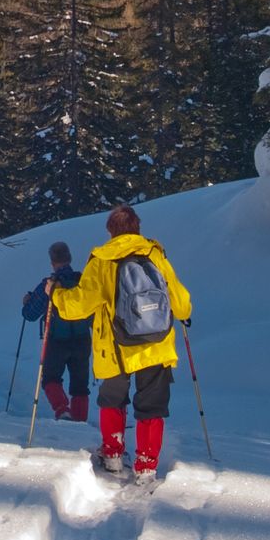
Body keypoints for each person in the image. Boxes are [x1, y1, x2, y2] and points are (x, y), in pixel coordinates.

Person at [47, 203, 192, 484]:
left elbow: (79, 305)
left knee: (112, 400)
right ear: (137, 227)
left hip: (115, 347)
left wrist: (55, 294)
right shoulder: (154, 254)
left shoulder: (102, 260)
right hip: (156, 345)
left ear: (110, 232)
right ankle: (147, 464)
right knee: (152, 406)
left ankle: (113, 455)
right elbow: (181, 302)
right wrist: (183, 315)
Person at [20, 241, 90, 422]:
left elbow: (30, 314)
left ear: (52, 262)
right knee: (80, 385)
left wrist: (27, 302)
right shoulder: (81, 281)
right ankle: (80, 420)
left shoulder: (49, 285)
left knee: (51, 378)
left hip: (56, 340)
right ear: (70, 258)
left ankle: (62, 409)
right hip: (82, 339)